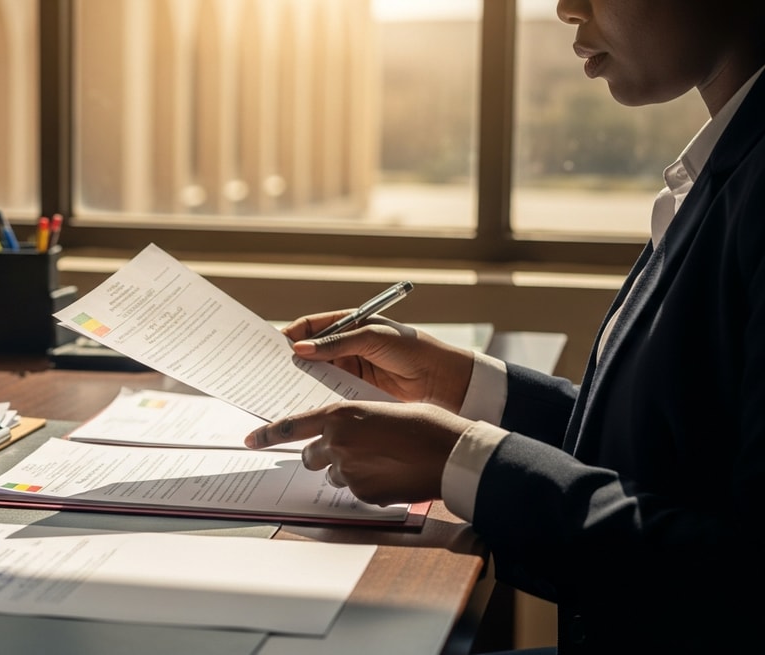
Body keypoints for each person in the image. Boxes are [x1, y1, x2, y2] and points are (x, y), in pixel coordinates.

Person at [244, 1, 765, 652]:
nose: (566, 6)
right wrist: (460, 382)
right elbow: (669, 452)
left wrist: (463, 463)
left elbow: (749, 584)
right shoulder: (732, 158)